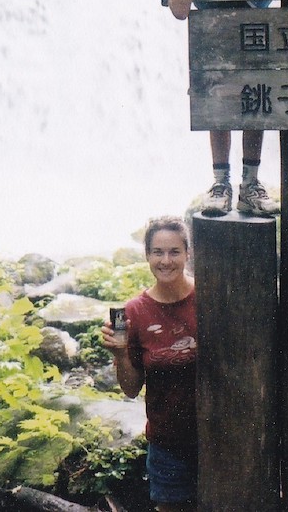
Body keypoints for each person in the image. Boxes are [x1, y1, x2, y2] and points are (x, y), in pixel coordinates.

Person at [116, 0, 280, 218]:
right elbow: (179, 9)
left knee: (254, 99)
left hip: (255, 22)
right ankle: (221, 183)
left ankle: (251, 183)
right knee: (217, 104)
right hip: (215, 31)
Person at [102, 215, 198, 512]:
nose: (166, 261)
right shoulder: (135, 311)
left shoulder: (210, 296)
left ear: (187, 254)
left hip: (219, 435)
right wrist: (119, 354)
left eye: (174, 252)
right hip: (167, 442)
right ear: (146, 255)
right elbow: (131, 390)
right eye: (158, 252)